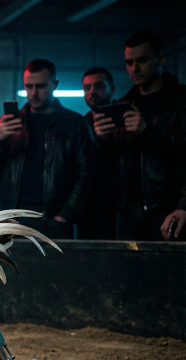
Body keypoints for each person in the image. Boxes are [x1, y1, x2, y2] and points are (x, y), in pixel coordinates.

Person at [0, 59, 93, 239]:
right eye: (29, 86)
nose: (33, 93)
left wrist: (64, 216)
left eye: (41, 86)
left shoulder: (74, 124)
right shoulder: (11, 123)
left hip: (53, 218)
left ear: (55, 84)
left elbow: (86, 175)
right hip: (14, 218)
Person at [93, 31, 186, 241]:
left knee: (167, 272)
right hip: (127, 212)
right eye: (129, 62)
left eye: (142, 60)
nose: (134, 68)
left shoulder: (180, 100)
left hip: (166, 208)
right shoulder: (123, 105)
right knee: (128, 272)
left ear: (160, 59)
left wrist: (148, 132)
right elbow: (107, 166)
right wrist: (103, 140)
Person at [77, 67, 117, 240]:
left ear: (112, 89)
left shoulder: (126, 119)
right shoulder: (81, 124)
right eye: (87, 88)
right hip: (89, 207)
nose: (92, 92)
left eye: (99, 86)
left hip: (119, 206)